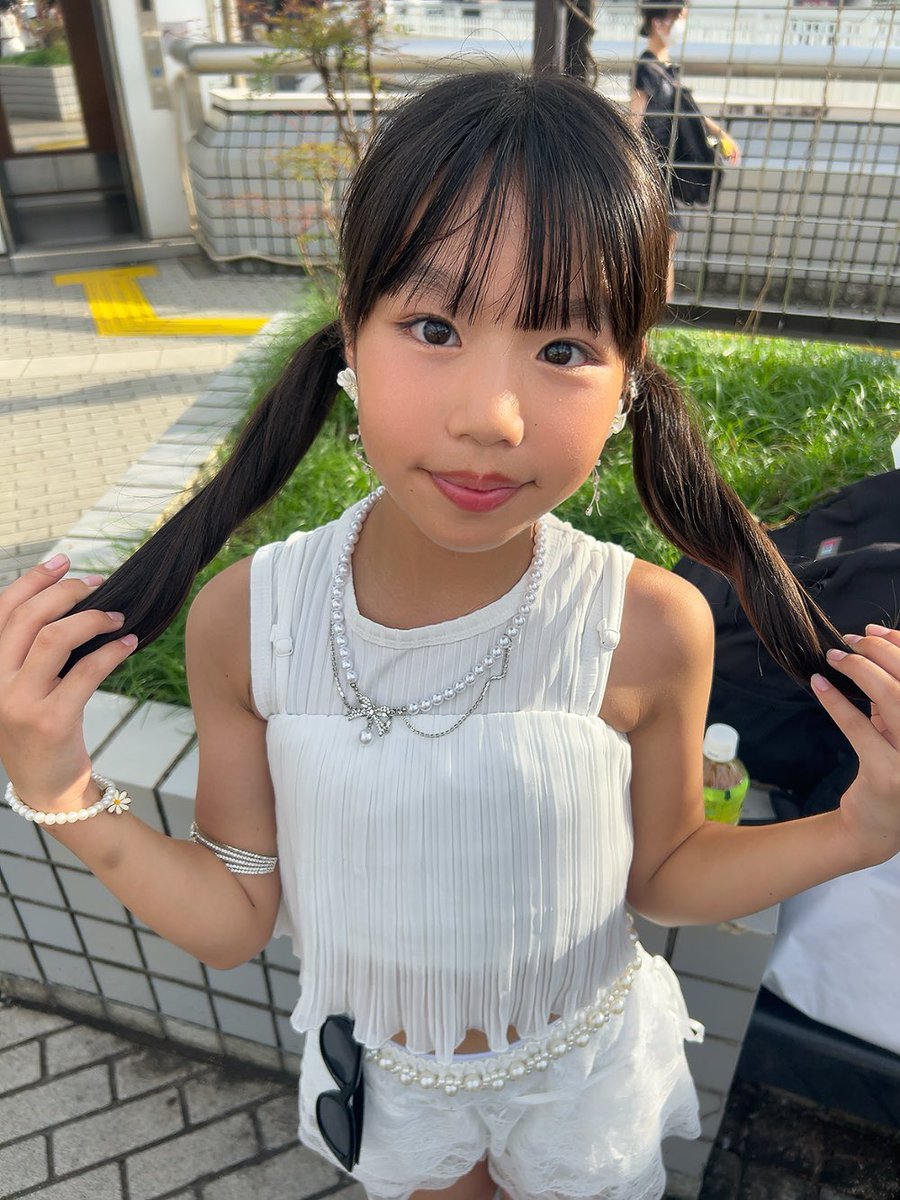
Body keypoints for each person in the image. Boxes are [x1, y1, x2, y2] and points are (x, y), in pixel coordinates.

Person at [2, 70, 898, 1200]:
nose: (492, 416)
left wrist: (859, 829)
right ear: (352, 331)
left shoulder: (648, 624)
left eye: (563, 348)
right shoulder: (250, 621)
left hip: (581, 1083)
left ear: (630, 377)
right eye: (433, 327)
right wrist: (61, 787)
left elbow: (666, 872)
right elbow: (231, 913)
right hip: (393, 1088)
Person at [631, 3, 741, 299]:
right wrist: (629, 160)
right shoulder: (647, 67)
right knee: (662, 238)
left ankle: (659, 306)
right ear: (659, 23)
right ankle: (655, 305)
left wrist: (719, 134)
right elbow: (635, 118)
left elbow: (686, 110)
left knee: (667, 238)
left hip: (665, 167)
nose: (682, 24)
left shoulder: (665, 66)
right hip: (650, 167)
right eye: (678, 18)